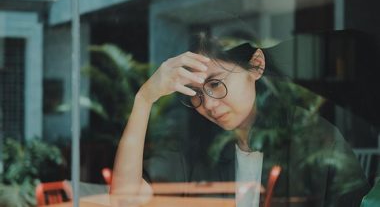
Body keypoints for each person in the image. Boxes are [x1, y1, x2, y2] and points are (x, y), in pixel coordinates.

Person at [111, 33, 370, 207]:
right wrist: (144, 98)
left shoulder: (315, 138)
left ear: (256, 65)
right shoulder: (195, 144)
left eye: (215, 83)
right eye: (197, 94)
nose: (208, 105)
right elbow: (125, 200)